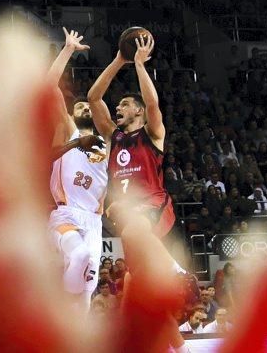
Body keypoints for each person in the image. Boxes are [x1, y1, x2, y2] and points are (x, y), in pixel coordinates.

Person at [88, 34, 191, 353]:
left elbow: (152, 104)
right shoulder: (114, 137)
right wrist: (119, 59)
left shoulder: (153, 134)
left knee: (134, 224)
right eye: (117, 105)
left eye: (124, 104)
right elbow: (93, 99)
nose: (118, 107)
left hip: (154, 208)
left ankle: (176, 270)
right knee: (137, 295)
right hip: (133, 225)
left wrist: (138, 65)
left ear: (139, 113)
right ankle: (181, 349)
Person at [47, 28, 108, 312]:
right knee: (80, 255)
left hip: (94, 222)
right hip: (66, 213)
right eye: (79, 105)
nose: (84, 107)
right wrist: (68, 49)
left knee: (89, 288)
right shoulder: (71, 132)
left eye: (88, 106)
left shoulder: (109, 147)